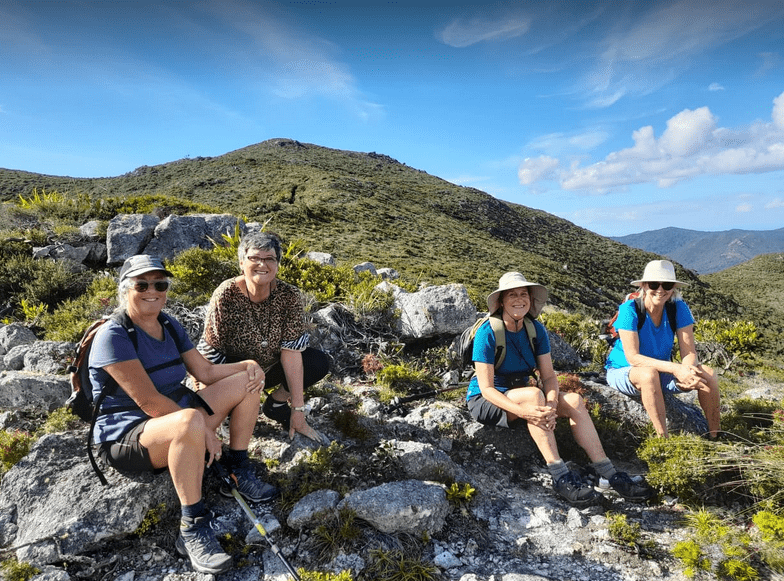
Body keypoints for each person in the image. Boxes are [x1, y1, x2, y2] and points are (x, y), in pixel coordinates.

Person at [89, 255, 278, 575]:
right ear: (126, 289)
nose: (153, 291)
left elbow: (204, 370)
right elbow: (148, 401)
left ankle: (237, 468)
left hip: (176, 418)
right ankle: (192, 525)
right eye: (142, 284)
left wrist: (247, 366)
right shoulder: (114, 336)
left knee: (247, 384)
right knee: (190, 421)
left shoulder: (168, 324)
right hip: (128, 435)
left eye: (159, 284)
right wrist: (204, 430)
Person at [467, 272, 654, 506]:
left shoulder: (535, 330)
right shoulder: (488, 332)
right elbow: (486, 389)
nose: (519, 299)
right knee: (534, 395)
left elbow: (548, 376)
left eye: (523, 294)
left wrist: (552, 405)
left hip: (524, 397)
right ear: (501, 301)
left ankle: (609, 473)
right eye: (512, 295)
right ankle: (560, 476)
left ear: (530, 300)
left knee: (574, 400)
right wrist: (528, 412)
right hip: (488, 401)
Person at [198, 231, 330, 444]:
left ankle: (276, 405)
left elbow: (291, 352)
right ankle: (230, 409)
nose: (263, 264)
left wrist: (297, 410)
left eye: (270, 259)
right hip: (235, 373)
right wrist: (208, 412)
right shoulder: (226, 295)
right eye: (255, 258)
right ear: (242, 263)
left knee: (316, 362)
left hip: (269, 368)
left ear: (277, 265)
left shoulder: (289, 296)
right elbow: (211, 355)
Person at [605, 260, 721, 438]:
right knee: (648, 374)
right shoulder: (630, 309)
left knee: (708, 375)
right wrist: (677, 369)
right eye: (653, 284)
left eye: (666, 284)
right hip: (624, 370)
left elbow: (689, 351)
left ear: (673, 287)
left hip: (661, 370)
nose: (660, 289)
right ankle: (663, 438)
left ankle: (716, 434)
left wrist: (688, 370)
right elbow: (633, 358)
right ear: (644, 285)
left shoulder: (678, 308)